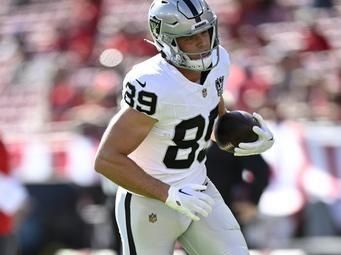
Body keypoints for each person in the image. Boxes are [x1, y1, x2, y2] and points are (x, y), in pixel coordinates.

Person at [94, 0, 274, 254]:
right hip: (150, 201)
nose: (202, 42)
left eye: (205, 32)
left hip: (199, 190)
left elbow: (212, 118)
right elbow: (107, 159)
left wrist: (248, 136)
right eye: (190, 37)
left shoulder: (219, 61)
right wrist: (168, 193)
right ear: (167, 40)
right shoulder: (154, 83)